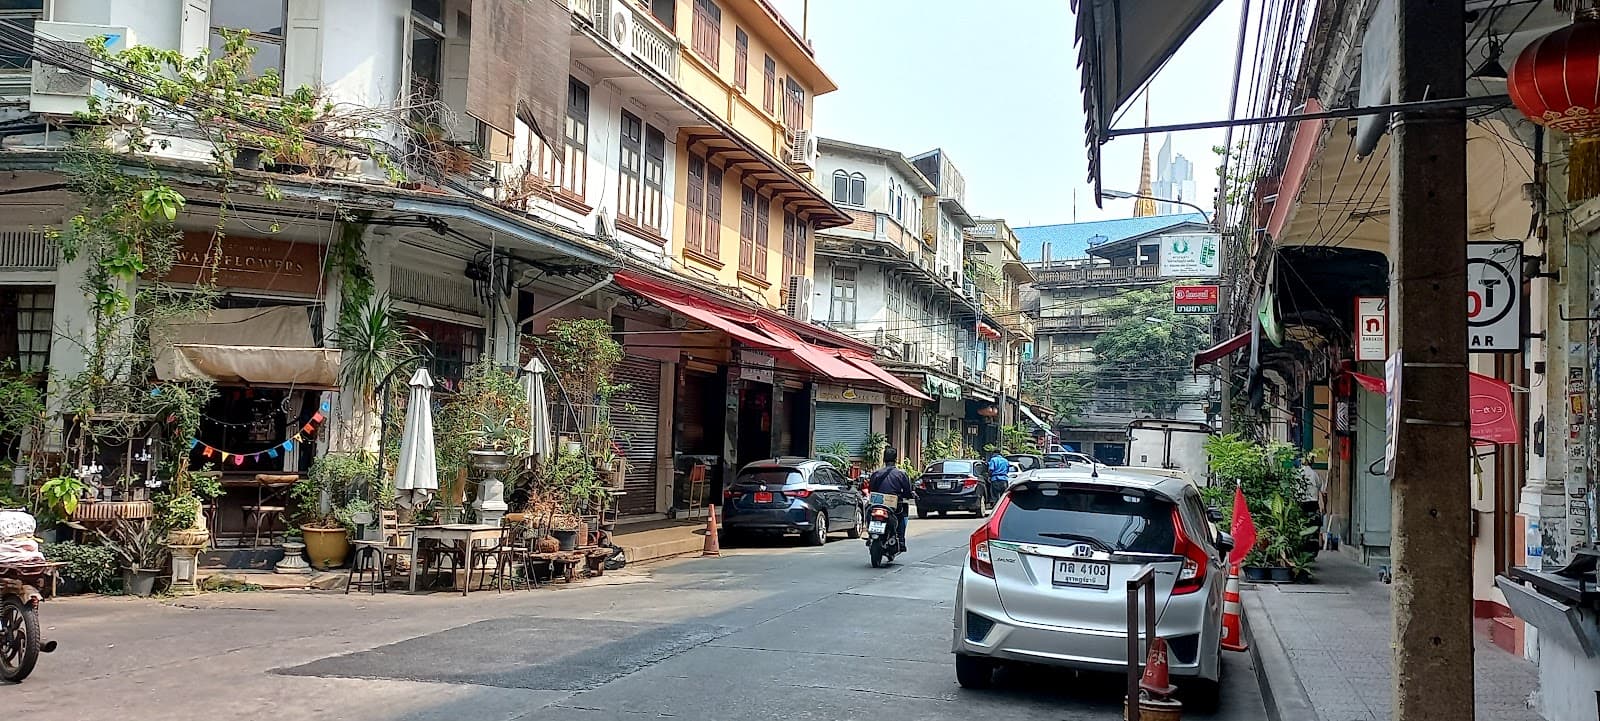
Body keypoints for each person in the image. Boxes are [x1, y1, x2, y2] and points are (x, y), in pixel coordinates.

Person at [867, 446, 915, 553]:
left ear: (884, 459)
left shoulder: (876, 474)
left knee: (868, 511)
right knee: (902, 517)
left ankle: (870, 534)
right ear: (896, 459)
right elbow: (907, 491)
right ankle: (901, 541)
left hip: (877, 504)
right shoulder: (900, 474)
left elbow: (871, 490)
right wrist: (910, 495)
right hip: (893, 506)